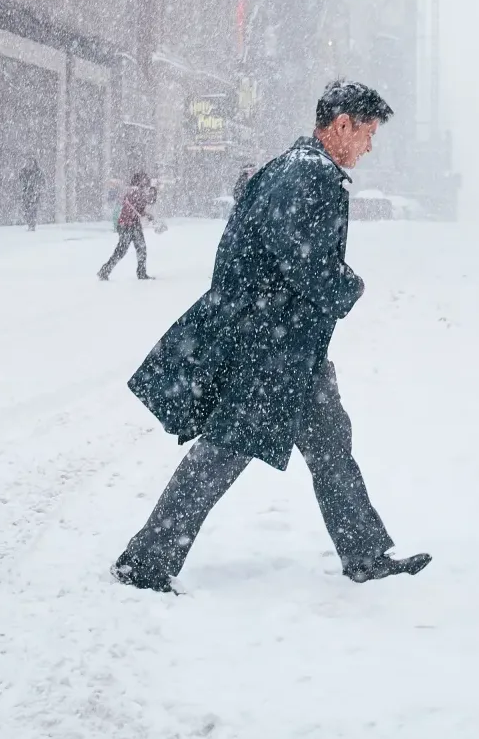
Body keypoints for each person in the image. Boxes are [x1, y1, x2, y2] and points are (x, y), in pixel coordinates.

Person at [114, 81, 430, 592]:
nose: (369, 146)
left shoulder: (296, 166)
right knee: (222, 452)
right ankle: (145, 562)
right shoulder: (309, 173)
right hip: (273, 348)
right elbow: (300, 259)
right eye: (368, 133)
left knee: (330, 444)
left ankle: (366, 553)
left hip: (288, 344)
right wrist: (348, 286)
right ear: (342, 124)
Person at [99, 171, 158, 280]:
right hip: (126, 225)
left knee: (141, 248)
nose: (146, 182)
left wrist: (147, 214)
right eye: (144, 180)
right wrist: (151, 193)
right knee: (122, 250)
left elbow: (140, 208)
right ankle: (104, 271)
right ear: (139, 181)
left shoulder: (138, 192)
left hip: (133, 224)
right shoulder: (134, 192)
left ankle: (141, 273)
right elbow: (140, 205)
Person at [19, 156, 45, 231]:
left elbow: (42, 181)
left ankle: (32, 225)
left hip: (35, 193)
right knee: (26, 209)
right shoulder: (23, 171)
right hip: (25, 193)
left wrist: (38, 189)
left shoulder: (38, 171)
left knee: (33, 209)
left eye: (31, 162)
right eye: (28, 161)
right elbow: (21, 181)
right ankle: (29, 223)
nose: (29, 163)